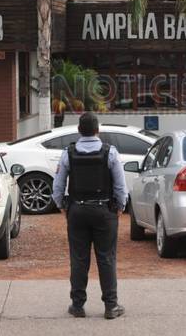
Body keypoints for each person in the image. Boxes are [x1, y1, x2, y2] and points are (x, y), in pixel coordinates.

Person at [52, 112, 128, 319]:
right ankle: (111, 306)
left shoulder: (68, 152)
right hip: (104, 210)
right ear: (98, 130)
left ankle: (77, 305)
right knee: (106, 258)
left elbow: (58, 185)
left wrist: (61, 205)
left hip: (77, 210)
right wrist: (120, 205)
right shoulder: (110, 152)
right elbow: (120, 186)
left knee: (78, 259)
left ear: (79, 130)